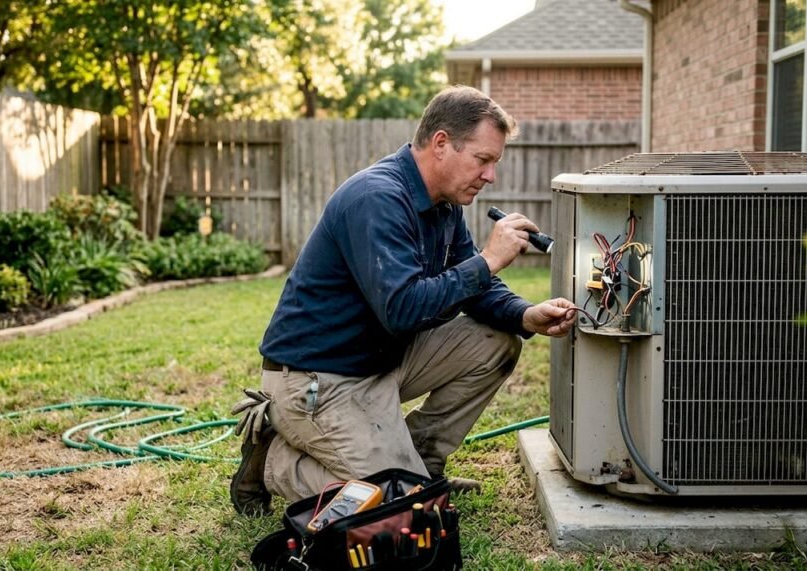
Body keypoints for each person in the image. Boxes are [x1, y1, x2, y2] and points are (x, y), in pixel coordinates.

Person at [230, 86, 578, 515]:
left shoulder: (443, 205)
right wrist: (489, 260)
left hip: (378, 360)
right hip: (317, 379)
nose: (491, 176)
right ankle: (274, 464)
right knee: (403, 507)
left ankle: (420, 463)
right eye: (483, 160)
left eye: (495, 163)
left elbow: (473, 285)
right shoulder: (377, 198)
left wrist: (525, 314)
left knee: (496, 341)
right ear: (441, 144)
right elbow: (403, 310)